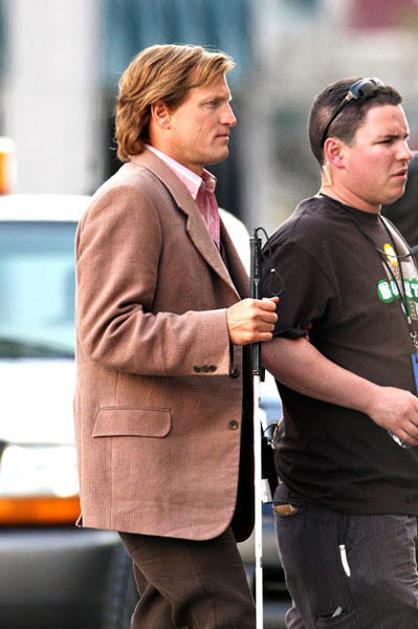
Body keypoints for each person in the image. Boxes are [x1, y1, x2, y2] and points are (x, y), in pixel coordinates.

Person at [74, 43, 278, 629]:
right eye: (212, 103)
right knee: (222, 613)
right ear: (159, 112)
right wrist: (224, 327)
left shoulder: (192, 196)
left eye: (228, 102)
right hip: (156, 473)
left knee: (168, 616)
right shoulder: (131, 197)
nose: (230, 116)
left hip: (182, 472)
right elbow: (109, 331)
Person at [261, 77, 418, 628]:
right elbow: (275, 344)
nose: (406, 153)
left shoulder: (383, 226)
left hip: (392, 495)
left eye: (406, 138)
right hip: (342, 502)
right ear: (336, 153)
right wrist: (376, 400)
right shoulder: (307, 238)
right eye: (387, 141)